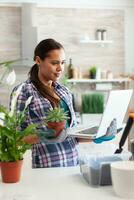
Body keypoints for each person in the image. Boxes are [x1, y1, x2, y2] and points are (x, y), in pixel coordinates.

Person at [10, 38, 115, 168]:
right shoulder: (23, 92)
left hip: (74, 165)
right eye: (54, 63)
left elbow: (73, 134)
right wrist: (43, 136)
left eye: (63, 63)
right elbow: (15, 138)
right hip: (47, 167)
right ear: (38, 60)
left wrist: (98, 135)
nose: (60, 68)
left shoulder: (64, 91)